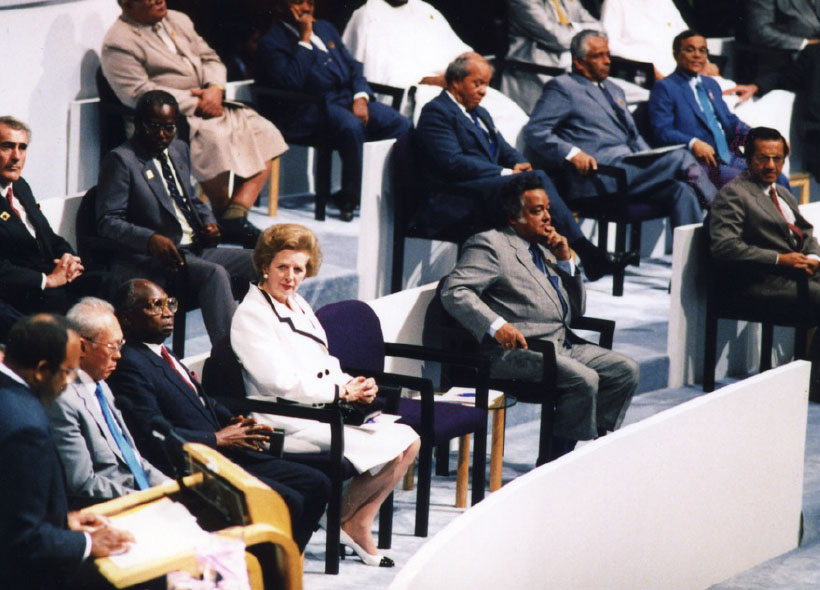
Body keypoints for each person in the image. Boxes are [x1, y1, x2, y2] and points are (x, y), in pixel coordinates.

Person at [231, 223, 420, 567]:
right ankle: (347, 523)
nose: (290, 277)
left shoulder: (297, 302)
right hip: (285, 420)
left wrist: (355, 385)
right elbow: (279, 382)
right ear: (264, 266)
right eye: (282, 267)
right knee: (393, 445)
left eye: (298, 269)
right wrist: (340, 392)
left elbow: (324, 362)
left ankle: (352, 521)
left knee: (408, 441)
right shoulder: (251, 315)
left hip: (320, 408)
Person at [108, 279, 329, 552]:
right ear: (127, 319)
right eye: (155, 306)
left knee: (318, 484)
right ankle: (263, 569)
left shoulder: (163, 351)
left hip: (225, 452)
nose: (167, 312)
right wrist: (216, 438)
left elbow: (202, 400)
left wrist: (232, 420)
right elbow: (150, 434)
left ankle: (280, 564)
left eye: (169, 303)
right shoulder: (130, 363)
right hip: (197, 463)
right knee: (288, 500)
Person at [440, 174, 638, 460]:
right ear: (513, 217)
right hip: (516, 351)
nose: (548, 217)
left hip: (561, 344)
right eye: (537, 211)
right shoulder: (491, 245)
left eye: (547, 209)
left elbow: (576, 311)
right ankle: (552, 462)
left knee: (625, 370)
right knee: (583, 380)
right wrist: (496, 327)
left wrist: (566, 262)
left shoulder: (545, 247)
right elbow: (455, 290)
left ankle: (579, 448)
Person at [415, 52, 630, 281]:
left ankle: (558, 267)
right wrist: (506, 172)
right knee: (532, 184)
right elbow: (452, 162)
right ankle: (584, 254)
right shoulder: (436, 112)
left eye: (486, 84)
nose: (483, 91)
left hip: (484, 191)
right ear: (456, 81)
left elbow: (503, 148)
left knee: (535, 183)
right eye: (477, 84)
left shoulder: (480, 112)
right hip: (456, 197)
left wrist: (519, 162)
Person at [101, 0, 288, 247]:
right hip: (171, 119)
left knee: (267, 132)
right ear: (128, 5)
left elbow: (210, 58)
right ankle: (223, 213)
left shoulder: (179, 19)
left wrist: (215, 88)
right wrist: (198, 103)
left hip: (210, 102)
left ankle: (234, 215)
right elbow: (138, 93)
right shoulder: (118, 42)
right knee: (215, 138)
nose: (159, 0)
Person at [96, 90, 256, 346]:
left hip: (195, 248)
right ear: (138, 124)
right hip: (156, 259)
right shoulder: (121, 160)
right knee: (214, 273)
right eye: (153, 127)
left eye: (168, 128)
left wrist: (208, 221)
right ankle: (229, 358)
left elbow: (190, 199)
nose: (162, 135)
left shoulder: (178, 149)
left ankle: (259, 343)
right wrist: (150, 240)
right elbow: (107, 221)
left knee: (262, 262)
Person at [524, 30, 714, 229]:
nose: (607, 61)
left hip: (629, 170)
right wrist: (572, 153)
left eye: (607, 54)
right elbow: (536, 131)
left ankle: (692, 259)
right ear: (579, 62)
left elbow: (634, 136)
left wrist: (651, 155)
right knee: (681, 157)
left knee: (681, 190)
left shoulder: (615, 89)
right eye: (598, 56)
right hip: (600, 175)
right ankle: (721, 210)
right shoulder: (563, 87)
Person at [0, 314, 134, 590]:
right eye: (66, 372)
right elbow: (23, 541)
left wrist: (63, 520)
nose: (69, 382)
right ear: (40, 370)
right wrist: (87, 542)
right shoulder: (26, 426)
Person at [254, 0, 411, 221]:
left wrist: (360, 97)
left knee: (399, 123)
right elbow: (292, 82)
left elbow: (354, 66)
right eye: (299, 2)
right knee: (351, 126)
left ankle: (395, 193)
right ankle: (351, 197)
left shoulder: (326, 28)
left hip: (347, 99)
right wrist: (304, 40)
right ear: (281, 6)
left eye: (310, 2)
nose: (307, 7)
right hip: (309, 109)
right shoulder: (272, 41)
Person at [341, 0, 529, 144]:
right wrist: (434, 81)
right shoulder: (368, 14)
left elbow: (459, 50)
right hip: (413, 91)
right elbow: (376, 72)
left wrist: (474, 64)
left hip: (454, 83)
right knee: (465, 126)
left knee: (510, 115)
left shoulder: (425, 11)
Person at [48, 298, 170, 502]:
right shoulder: (62, 401)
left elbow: (132, 460)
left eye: (121, 344)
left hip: (141, 495)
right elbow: (83, 484)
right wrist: (150, 498)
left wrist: (169, 487)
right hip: (113, 509)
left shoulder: (101, 384)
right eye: (112, 346)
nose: (119, 356)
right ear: (82, 347)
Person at [0, 116, 122, 316]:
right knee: (70, 307)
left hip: (54, 276)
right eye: (7, 147)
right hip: (24, 290)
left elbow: (48, 236)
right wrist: (46, 280)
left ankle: (116, 346)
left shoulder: (20, 186)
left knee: (110, 283)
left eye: (22, 148)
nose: (16, 156)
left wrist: (70, 259)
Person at [647, 30, 792, 189]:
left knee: (780, 180)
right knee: (749, 184)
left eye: (702, 50)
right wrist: (692, 142)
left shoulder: (711, 84)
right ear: (676, 54)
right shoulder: (665, 87)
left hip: (731, 157)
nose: (697, 55)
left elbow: (730, 122)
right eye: (690, 49)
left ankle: (789, 214)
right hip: (703, 163)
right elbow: (662, 131)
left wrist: (765, 139)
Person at [501, 0, 606, 113]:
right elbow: (560, 39)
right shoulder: (524, 2)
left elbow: (601, 30)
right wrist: (581, 30)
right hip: (535, 76)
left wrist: (572, 27)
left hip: (572, 73)